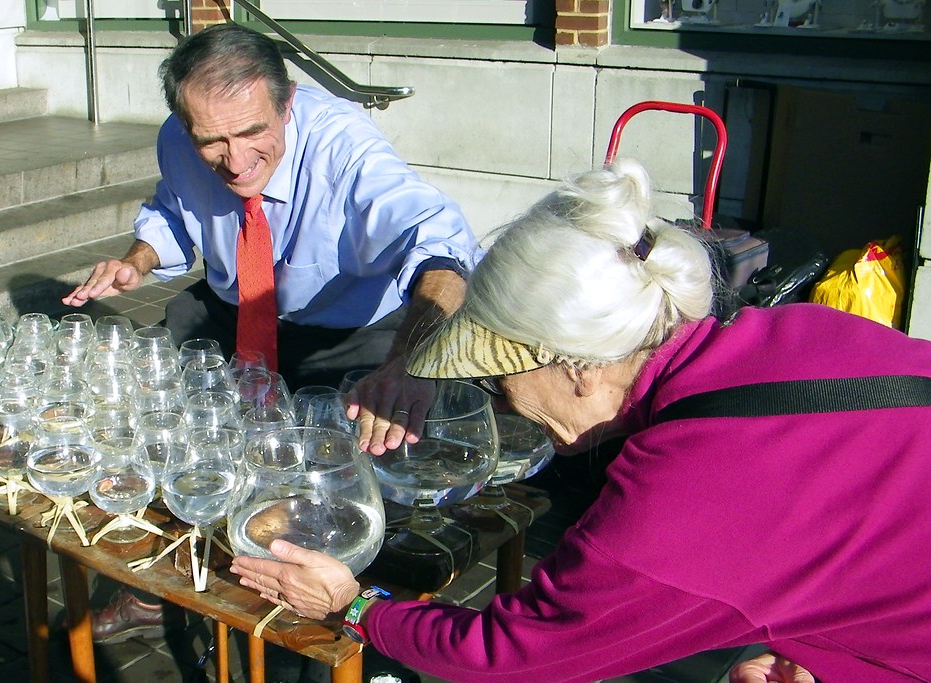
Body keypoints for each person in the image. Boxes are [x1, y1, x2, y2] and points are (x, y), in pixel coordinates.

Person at [230, 159, 931, 682]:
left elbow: (511, 655)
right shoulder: (798, 328)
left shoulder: (672, 497)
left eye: (502, 377)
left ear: (578, 365)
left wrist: (356, 607)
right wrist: (818, 637)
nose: (505, 400)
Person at [60, 23, 480, 648]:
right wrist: (138, 261)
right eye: (213, 142)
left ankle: (316, 630)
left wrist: (409, 360)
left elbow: (440, 246)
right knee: (184, 448)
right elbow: (176, 210)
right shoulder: (179, 138)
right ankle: (166, 581)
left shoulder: (345, 147)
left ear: (287, 104)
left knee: (316, 493)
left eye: (253, 132)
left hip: (348, 333)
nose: (235, 160)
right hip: (233, 315)